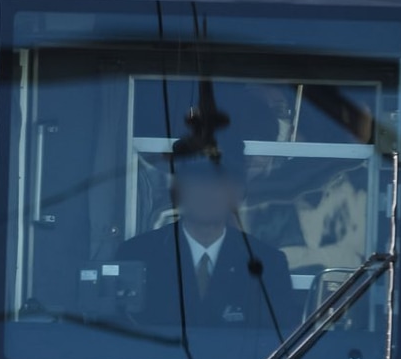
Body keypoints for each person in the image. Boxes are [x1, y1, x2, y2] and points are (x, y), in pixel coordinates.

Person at [121, 129, 297, 342]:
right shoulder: (137, 255)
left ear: (238, 192)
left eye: (220, 182)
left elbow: (277, 347)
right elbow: (119, 341)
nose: (209, 191)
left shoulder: (268, 264)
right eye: (197, 180)